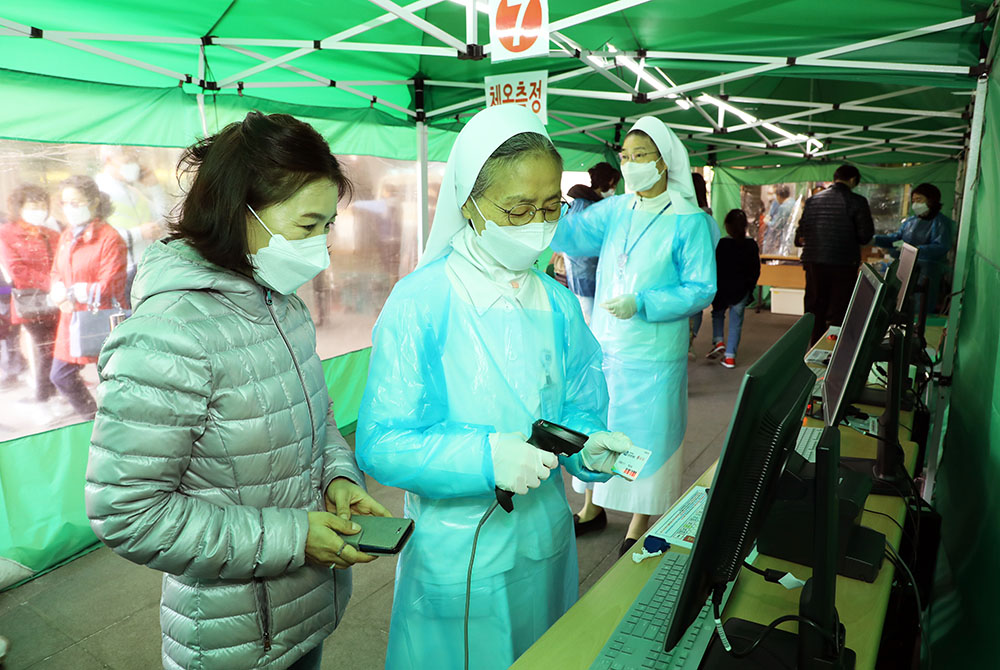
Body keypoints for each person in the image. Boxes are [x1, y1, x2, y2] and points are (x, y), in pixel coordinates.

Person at [85, 112, 392, 670]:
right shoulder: (169, 333)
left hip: (303, 614)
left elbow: (316, 423)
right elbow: (127, 512)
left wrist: (339, 477)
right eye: (306, 226)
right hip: (230, 639)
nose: (322, 247)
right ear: (236, 212)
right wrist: (294, 536)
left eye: (328, 226)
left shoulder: (284, 306)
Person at [355, 104, 633, 670]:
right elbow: (383, 442)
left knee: (546, 651)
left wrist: (590, 445)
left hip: (547, 539)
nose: (537, 221)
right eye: (517, 209)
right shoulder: (423, 301)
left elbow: (578, 399)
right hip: (463, 552)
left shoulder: (554, 300)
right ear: (468, 203)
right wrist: (485, 457)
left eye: (550, 206)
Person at [551, 116, 717, 554]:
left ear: (664, 162)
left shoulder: (688, 219)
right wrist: (546, 201)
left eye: (640, 156)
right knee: (599, 427)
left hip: (654, 352)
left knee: (648, 435)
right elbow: (573, 233)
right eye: (625, 156)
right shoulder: (617, 209)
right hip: (606, 344)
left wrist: (643, 301)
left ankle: (638, 524)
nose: (630, 164)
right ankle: (592, 507)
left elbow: (702, 288)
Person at [49, 176, 128, 420]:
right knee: (60, 375)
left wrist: (73, 291)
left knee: (112, 378)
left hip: (101, 317)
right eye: (65, 203)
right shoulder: (66, 236)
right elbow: (56, 272)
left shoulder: (109, 237)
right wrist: (57, 290)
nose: (70, 208)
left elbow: (111, 284)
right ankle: (92, 418)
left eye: (76, 202)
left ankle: (117, 422)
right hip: (71, 317)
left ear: (93, 202)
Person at [794, 164, 874, 344]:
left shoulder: (813, 200)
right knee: (839, 309)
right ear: (853, 180)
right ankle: (833, 351)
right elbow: (865, 236)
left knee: (815, 308)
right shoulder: (857, 201)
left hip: (814, 262)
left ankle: (813, 347)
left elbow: (801, 232)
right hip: (843, 263)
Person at [0, 185, 60, 401]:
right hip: (31, 303)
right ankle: (44, 397)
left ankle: (53, 391)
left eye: (43, 205)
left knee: (56, 350)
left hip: (58, 300)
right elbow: (16, 270)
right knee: (47, 350)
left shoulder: (51, 233)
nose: (40, 210)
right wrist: (50, 283)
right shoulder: (6, 233)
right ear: (20, 207)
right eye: (33, 206)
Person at [95, 146, 168, 296]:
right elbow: (98, 241)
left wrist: (155, 187)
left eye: (135, 159)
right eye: (128, 160)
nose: (134, 165)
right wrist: (140, 233)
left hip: (146, 269)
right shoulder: (100, 190)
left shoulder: (133, 191)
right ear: (109, 160)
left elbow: (165, 218)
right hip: (123, 274)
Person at [873, 182, 954, 312]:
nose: (915, 204)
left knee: (920, 307)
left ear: (932, 200)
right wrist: (875, 240)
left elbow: (941, 247)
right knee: (899, 305)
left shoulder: (940, 223)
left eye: (919, 199)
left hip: (926, 272)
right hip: (905, 268)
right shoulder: (911, 221)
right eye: (913, 200)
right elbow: (896, 239)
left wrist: (912, 250)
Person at [563, 161, 620, 322]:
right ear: (609, 182)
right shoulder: (588, 207)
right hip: (586, 274)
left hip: (580, 274)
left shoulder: (580, 204)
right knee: (591, 323)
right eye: (614, 185)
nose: (614, 190)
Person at [706, 209, 760, 368]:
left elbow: (714, 267)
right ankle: (730, 357)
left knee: (717, 314)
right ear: (745, 226)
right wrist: (750, 288)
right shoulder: (751, 244)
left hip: (722, 289)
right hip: (741, 290)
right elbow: (755, 270)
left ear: (727, 226)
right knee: (736, 322)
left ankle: (718, 340)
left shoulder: (722, 244)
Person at [688, 171, 721, 354]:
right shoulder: (708, 217)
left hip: (684, 272)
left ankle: (685, 342)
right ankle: (690, 339)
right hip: (702, 271)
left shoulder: (684, 216)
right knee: (696, 309)